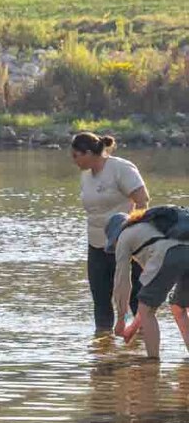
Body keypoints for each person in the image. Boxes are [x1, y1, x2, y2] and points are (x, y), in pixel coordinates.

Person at [72, 132, 148, 334]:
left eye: (76, 155)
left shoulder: (121, 168)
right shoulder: (85, 175)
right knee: (100, 298)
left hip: (125, 243)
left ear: (88, 153)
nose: (74, 161)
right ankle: (103, 349)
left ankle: (142, 343)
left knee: (134, 296)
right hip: (95, 244)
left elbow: (142, 200)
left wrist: (133, 234)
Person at [106, 209, 189, 359]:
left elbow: (122, 283)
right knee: (179, 307)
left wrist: (120, 320)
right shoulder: (150, 227)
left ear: (115, 235)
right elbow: (147, 301)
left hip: (171, 255)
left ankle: (152, 365)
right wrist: (132, 328)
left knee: (147, 311)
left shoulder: (125, 237)